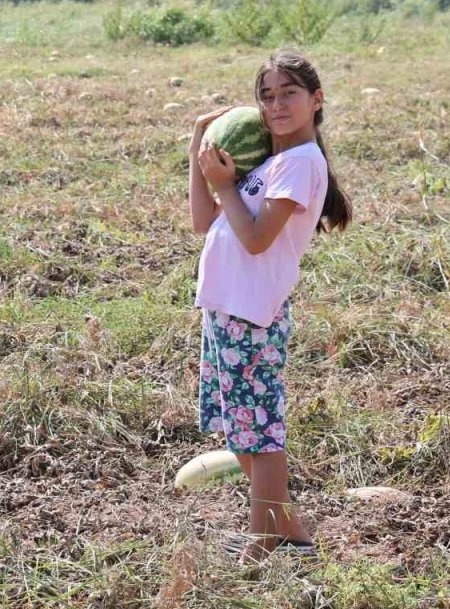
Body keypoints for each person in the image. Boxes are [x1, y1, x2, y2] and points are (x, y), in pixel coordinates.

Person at [187, 49, 353, 564]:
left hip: (252, 313)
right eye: (267, 95)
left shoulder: (301, 163)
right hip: (226, 306)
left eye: (289, 94)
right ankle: (289, 532)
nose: (276, 105)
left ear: (316, 100)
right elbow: (203, 221)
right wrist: (198, 147)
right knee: (242, 428)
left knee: (260, 434)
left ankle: (263, 543)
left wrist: (224, 186)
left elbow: (258, 240)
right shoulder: (272, 161)